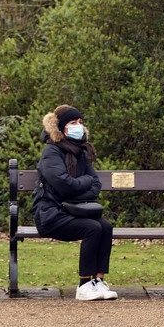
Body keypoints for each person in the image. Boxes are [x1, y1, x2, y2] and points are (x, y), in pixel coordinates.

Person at [32, 104, 117, 301]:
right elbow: (64, 186)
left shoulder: (82, 152)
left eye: (80, 122)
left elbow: (96, 186)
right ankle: (84, 285)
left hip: (72, 211)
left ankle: (98, 281)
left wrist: (80, 185)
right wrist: (83, 184)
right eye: (73, 123)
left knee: (105, 226)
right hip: (51, 214)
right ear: (60, 128)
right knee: (92, 228)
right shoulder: (51, 152)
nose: (78, 126)